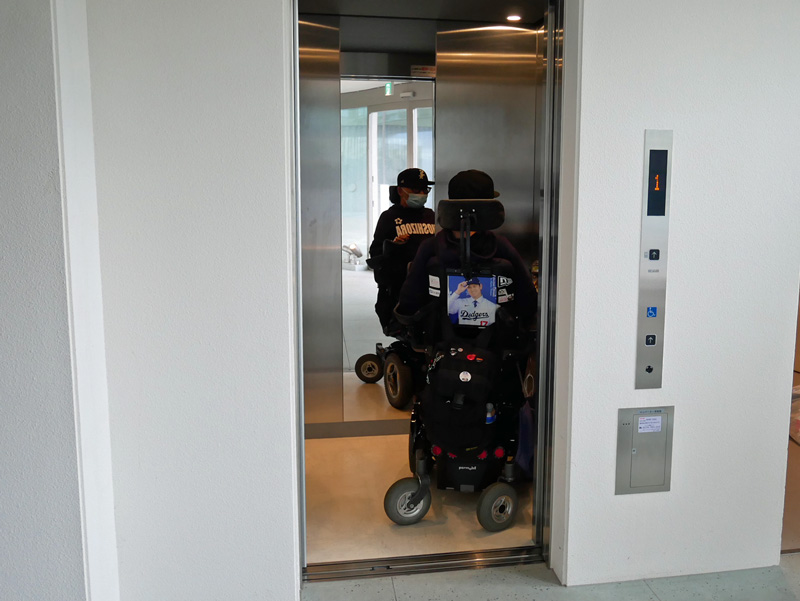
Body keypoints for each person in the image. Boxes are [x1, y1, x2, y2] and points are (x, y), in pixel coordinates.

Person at [396, 169, 537, 328]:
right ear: (488, 208)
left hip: (438, 336)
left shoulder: (430, 247)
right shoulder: (502, 246)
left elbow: (409, 302)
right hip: (498, 338)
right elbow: (528, 300)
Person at [368, 168, 436, 330]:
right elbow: (376, 252)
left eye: (425, 190)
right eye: (416, 190)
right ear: (400, 191)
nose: (422, 194)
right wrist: (392, 245)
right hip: (400, 288)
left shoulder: (431, 216)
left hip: (429, 287)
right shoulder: (389, 217)